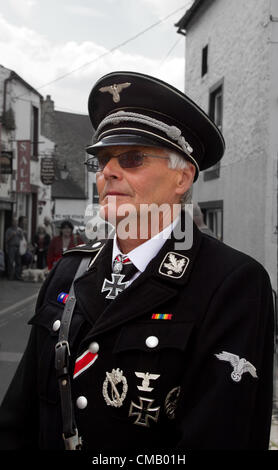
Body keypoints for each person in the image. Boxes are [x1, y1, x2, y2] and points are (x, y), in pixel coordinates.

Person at [0, 72, 274, 451]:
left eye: (132, 158)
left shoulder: (232, 283)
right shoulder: (70, 270)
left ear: (183, 177)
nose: (108, 172)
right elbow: (18, 419)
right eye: (102, 160)